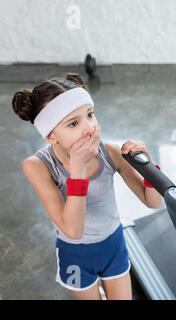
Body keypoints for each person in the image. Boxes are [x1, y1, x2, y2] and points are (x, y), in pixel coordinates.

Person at [12, 73, 162, 300]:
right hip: (76, 255)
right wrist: (78, 169)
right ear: (51, 136)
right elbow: (72, 230)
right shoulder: (37, 166)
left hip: (114, 244)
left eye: (90, 115)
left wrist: (148, 168)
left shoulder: (110, 152)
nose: (89, 127)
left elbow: (153, 202)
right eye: (74, 123)